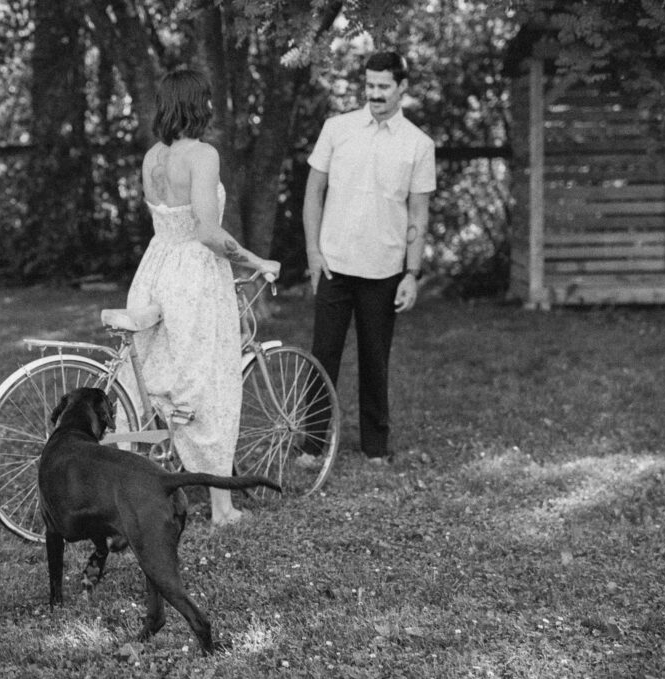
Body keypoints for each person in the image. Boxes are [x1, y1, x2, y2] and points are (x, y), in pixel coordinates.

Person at [127, 68, 281, 526]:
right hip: (194, 277)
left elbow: (170, 222)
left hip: (155, 270)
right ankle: (221, 507)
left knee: (158, 379)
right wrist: (257, 262)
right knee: (209, 382)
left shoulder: (152, 157)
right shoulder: (203, 155)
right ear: (199, 106)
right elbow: (210, 235)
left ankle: (149, 480)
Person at [299, 51, 436, 466]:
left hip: (384, 269)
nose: (374, 93)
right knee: (323, 354)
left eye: (383, 87)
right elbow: (313, 195)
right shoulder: (337, 129)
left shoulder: (418, 144)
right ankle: (311, 444)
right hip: (334, 264)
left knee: (375, 358)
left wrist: (412, 274)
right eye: (370, 85)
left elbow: (418, 214)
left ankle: (376, 446)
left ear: (401, 89)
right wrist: (313, 252)